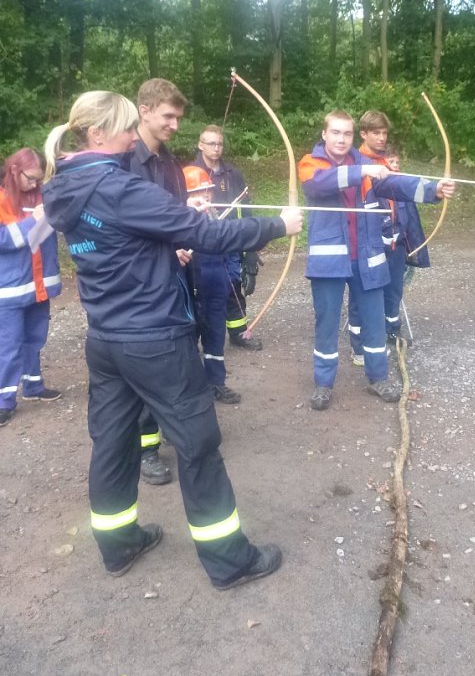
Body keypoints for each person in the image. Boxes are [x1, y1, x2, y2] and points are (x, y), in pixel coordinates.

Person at [42, 90, 303, 587]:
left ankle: (118, 545)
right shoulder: (118, 188)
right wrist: (277, 226)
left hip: (106, 339)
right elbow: (206, 233)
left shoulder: (64, 187)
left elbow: (121, 245)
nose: (128, 139)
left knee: (112, 443)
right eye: (122, 129)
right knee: (199, 444)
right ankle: (230, 561)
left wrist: (165, 249)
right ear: (98, 134)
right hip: (154, 338)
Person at [297, 110, 454, 411]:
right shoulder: (311, 163)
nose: (342, 139)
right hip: (329, 261)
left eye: (347, 134)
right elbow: (318, 185)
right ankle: (323, 383)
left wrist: (434, 189)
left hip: (367, 256)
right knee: (326, 323)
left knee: (373, 321)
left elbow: (397, 186)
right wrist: (362, 172)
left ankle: (377, 377)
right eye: (336, 133)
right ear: (324, 134)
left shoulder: (366, 164)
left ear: (353, 136)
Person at [121, 78, 191, 484]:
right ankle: (146, 448)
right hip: (136, 285)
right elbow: (124, 226)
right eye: (168, 116)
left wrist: (182, 240)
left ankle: (176, 432)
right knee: (143, 366)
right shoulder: (124, 162)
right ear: (143, 111)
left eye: (178, 117)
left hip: (172, 276)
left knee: (176, 356)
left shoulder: (169, 162)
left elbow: (173, 216)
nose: (175, 125)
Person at [348, 112, 434, 360]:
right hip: (368, 243)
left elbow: (402, 191)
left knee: (393, 290)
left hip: (394, 242)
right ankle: (359, 345)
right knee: (362, 294)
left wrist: (433, 190)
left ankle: (391, 332)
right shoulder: (355, 163)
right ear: (363, 133)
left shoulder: (386, 163)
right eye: (376, 133)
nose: (382, 138)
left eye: (385, 133)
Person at [0, 148, 62, 426]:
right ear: (14, 171)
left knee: (35, 339)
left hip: (39, 286)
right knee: (8, 346)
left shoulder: (42, 196)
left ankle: (34, 386)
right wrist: (32, 222)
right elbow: (3, 239)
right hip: (10, 289)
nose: (36, 183)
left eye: (39, 179)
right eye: (31, 178)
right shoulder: (2, 199)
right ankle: (4, 401)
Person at [192, 125, 262, 351]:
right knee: (201, 291)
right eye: (211, 143)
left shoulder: (233, 174)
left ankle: (239, 331)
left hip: (230, 239)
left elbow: (245, 208)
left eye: (220, 143)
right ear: (200, 145)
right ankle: (194, 340)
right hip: (202, 242)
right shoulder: (191, 172)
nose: (216, 148)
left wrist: (250, 248)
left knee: (234, 285)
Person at [182, 165, 240, 404]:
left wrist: (235, 274)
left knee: (216, 335)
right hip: (193, 289)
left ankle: (216, 382)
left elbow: (230, 245)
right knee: (188, 339)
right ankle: (191, 388)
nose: (203, 196)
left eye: (207, 191)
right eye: (196, 193)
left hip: (217, 285)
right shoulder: (180, 220)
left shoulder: (215, 215)